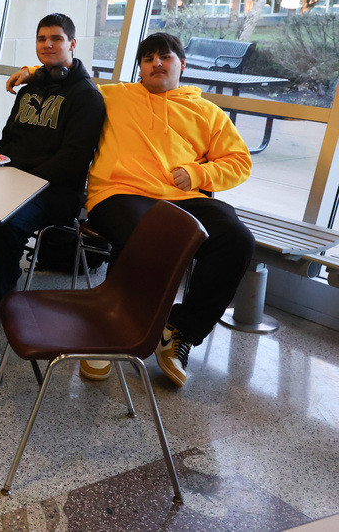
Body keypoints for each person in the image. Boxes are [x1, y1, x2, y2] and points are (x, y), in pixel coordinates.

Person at [77, 32, 253, 387]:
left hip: (185, 197)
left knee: (236, 239)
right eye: (148, 58)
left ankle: (179, 331)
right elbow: (70, 80)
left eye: (166, 57)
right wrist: (34, 71)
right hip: (120, 192)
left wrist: (199, 172)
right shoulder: (116, 96)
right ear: (140, 69)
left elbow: (239, 161)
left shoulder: (207, 112)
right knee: (146, 237)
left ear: (182, 65)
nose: (157, 63)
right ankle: (108, 332)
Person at [0, 13, 106, 328]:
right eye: (41, 39)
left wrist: (21, 181)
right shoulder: (28, 89)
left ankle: (3, 291)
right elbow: (8, 140)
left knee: (7, 224)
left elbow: (72, 160)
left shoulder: (87, 97)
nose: (47, 44)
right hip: (16, 179)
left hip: (56, 191)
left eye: (56, 39)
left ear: (72, 44)